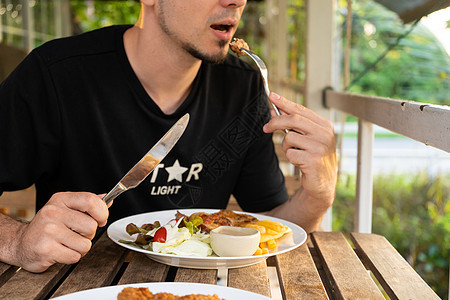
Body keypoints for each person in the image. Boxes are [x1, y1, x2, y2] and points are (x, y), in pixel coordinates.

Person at [0, 0, 337, 273]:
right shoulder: (57, 74)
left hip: (202, 290)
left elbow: (273, 229)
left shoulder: (242, 86)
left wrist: (318, 196)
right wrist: (17, 241)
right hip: (78, 284)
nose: (235, 2)